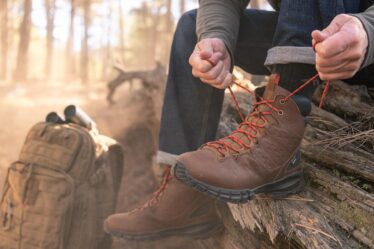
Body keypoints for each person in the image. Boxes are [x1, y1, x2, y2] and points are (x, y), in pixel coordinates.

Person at [104, 0, 374, 240]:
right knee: (191, 27)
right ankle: (184, 193)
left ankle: (279, 143)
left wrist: (366, 30)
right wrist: (215, 38)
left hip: (364, 42)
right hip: (315, 42)